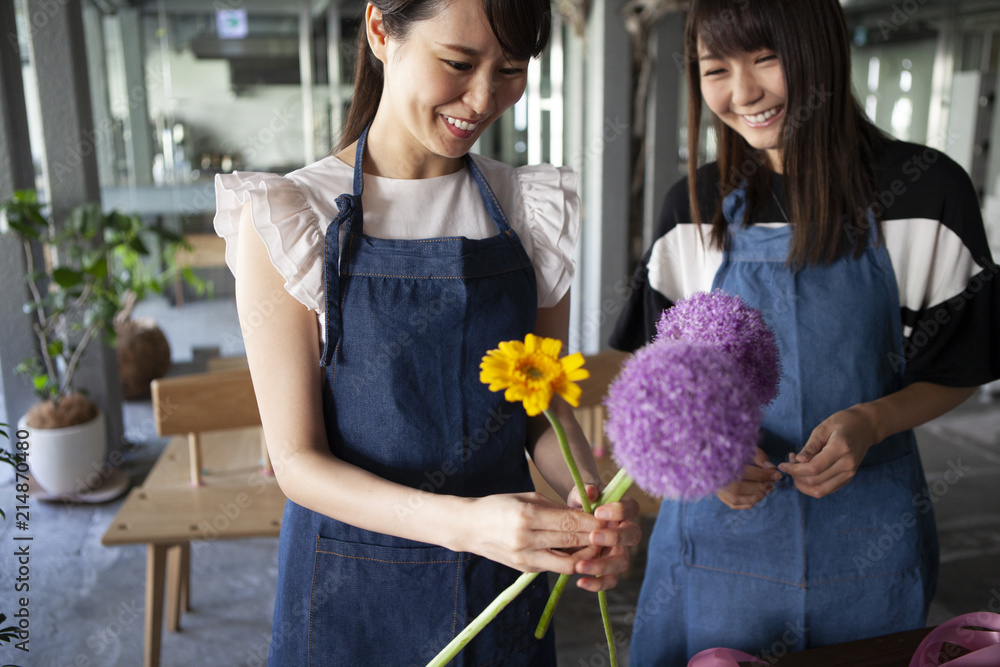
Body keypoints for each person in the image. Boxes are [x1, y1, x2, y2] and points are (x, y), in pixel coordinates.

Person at [214, 0, 640, 664]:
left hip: (499, 580)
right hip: (348, 591)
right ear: (381, 29)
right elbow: (298, 462)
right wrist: (468, 524)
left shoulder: (529, 209)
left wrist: (590, 502)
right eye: (459, 63)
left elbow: (540, 408)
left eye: (510, 70)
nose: (482, 98)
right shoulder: (292, 215)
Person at [611, 0, 1000, 663]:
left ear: (822, 51)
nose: (743, 92)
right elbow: (654, 384)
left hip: (867, 541)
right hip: (713, 552)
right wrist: (708, 464)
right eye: (716, 68)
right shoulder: (693, 208)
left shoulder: (926, 193)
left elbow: (963, 360)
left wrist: (873, 421)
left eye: (766, 57)